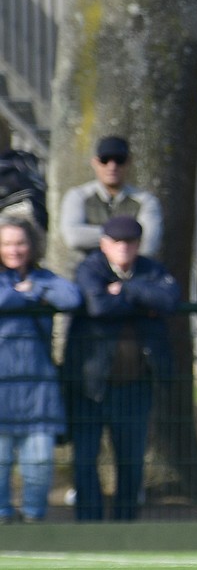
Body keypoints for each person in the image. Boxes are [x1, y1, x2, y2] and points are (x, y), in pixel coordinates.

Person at [62, 216, 179, 521]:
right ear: (104, 244)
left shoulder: (151, 269)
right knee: (85, 459)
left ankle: (126, 525)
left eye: (130, 242)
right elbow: (97, 305)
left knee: (130, 462)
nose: (123, 248)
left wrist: (126, 290)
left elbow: (169, 299)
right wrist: (142, 303)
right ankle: (89, 524)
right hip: (91, 385)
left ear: (139, 245)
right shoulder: (91, 268)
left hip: (135, 386)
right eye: (116, 242)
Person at [0, 217, 79, 523]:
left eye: (20, 242)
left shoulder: (44, 277)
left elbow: (70, 297)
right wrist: (31, 294)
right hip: (3, 389)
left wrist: (33, 288)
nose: (14, 250)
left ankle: (34, 520)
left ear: (32, 246)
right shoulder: (30, 286)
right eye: (7, 243)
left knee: (40, 464)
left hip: (38, 391)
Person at [59, 136, 164, 260]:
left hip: (133, 274)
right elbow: (74, 237)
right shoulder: (78, 196)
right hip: (87, 274)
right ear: (95, 162)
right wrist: (128, 237)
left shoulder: (145, 200)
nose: (112, 166)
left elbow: (148, 245)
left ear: (128, 162)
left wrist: (103, 237)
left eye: (119, 160)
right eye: (105, 160)